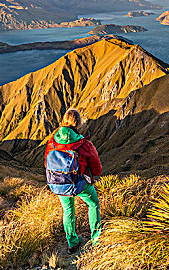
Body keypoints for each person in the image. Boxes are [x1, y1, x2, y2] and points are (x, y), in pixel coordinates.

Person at [44, 108, 102, 254]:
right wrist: (91, 176)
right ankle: (96, 239)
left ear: (64, 121)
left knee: (68, 210)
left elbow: (46, 162)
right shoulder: (84, 144)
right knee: (93, 204)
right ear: (79, 124)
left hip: (58, 184)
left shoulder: (52, 142)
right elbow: (97, 168)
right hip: (79, 184)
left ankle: (72, 242)